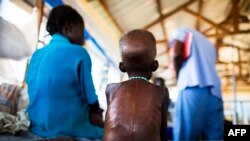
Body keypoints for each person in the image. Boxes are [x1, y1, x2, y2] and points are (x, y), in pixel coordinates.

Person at [25, 5, 103, 140]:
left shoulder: (37, 54)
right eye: (82, 31)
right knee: (110, 133)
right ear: (69, 28)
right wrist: (96, 112)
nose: (84, 39)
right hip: (68, 127)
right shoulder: (79, 53)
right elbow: (91, 97)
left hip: (35, 125)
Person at [103, 29, 169, 141]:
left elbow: (108, 126)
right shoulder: (161, 92)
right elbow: (162, 133)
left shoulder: (111, 89)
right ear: (155, 65)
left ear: (122, 66)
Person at [169, 27, 224, 140]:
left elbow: (176, 54)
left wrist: (178, 77)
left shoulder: (183, 30)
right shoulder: (210, 44)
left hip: (192, 86)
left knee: (183, 137)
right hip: (215, 93)